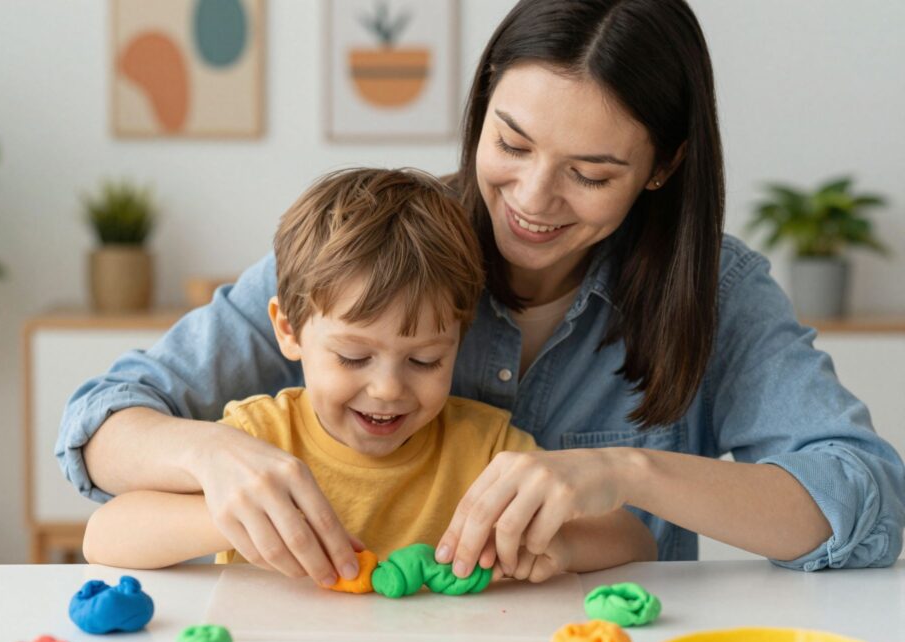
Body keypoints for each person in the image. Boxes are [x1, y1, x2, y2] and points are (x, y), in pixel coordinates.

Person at [60, 0, 903, 586]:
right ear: (483, 103)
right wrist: (211, 461)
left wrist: (626, 471)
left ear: (663, 168)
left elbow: (863, 497)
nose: (534, 198)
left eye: (591, 172)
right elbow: (104, 421)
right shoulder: (379, 247)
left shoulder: (718, 292)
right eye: (513, 142)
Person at [81, 168, 656, 576]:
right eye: (353, 357)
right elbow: (102, 537)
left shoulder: (490, 451)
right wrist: (230, 521)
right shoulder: (257, 441)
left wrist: (561, 549)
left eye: (426, 360)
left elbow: (634, 540)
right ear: (288, 329)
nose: (387, 389)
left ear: (462, 335)